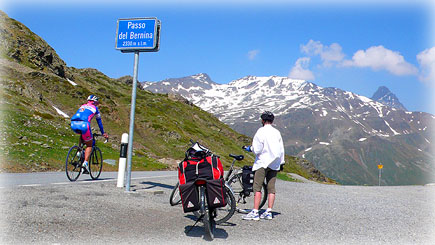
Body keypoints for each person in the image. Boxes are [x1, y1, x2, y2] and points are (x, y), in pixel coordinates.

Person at [242, 111, 285, 220]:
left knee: (257, 187)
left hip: (262, 162)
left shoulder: (261, 131)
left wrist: (249, 148)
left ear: (262, 120)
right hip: (274, 164)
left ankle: (255, 212)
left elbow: (257, 149)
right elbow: (281, 149)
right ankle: (269, 211)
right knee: (271, 188)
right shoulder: (277, 132)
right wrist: (281, 162)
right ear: (272, 121)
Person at [70, 95, 108, 174]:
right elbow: (99, 122)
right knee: (89, 145)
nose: (98, 103)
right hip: (84, 125)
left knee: (82, 135)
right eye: (97, 101)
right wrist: (103, 133)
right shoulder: (95, 109)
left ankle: (79, 151)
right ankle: (85, 163)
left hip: (73, 124)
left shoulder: (82, 106)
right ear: (94, 102)